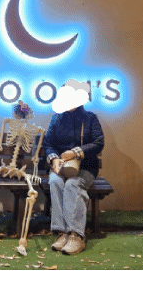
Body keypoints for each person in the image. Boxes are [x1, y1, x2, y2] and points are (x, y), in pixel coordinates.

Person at [44, 80, 105, 255]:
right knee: (55, 182)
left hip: (85, 167)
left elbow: (99, 142)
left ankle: (76, 235)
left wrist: (76, 152)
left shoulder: (90, 118)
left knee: (73, 184)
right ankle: (61, 232)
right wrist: (54, 158)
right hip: (61, 167)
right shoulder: (56, 119)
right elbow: (48, 144)